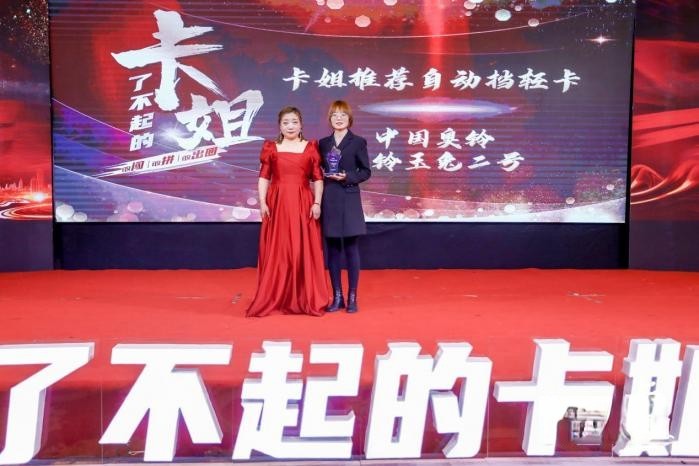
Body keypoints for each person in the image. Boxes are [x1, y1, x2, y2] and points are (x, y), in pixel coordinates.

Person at [246, 106, 329, 317]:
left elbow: (318, 179)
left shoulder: (310, 148)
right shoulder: (271, 148)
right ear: (280, 126)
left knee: (303, 249)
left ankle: (304, 297)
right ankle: (277, 296)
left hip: (303, 203)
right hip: (278, 203)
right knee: (280, 249)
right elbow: (264, 177)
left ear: (301, 124)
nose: (290, 126)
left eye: (294, 122)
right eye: (285, 122)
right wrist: (262, 202)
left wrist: (317, 203)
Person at [319, 100, 371, 313]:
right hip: (330, 197)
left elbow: (365, 171)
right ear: (329, 119)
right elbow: (317, 169)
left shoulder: (358, 142)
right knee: (332, 250)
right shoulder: (323, 143)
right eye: (334, 115)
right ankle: (337, 296)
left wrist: (347, 176)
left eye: (343, 114)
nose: (338, 118)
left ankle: (352, 297)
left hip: (349, 197)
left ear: (350, 118)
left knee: (351, 248)